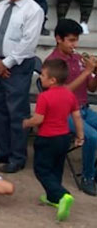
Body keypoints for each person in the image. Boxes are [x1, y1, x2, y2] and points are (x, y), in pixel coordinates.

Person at [0, 0, 43, 173]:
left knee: (17, 112)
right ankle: (2, 151)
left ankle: (18, 157)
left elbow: (28, 43)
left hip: (18, 66)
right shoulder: (0, 6)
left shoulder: (33, 10)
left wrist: (6, 64)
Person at [23, 59, 84, 221]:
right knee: (57, 168)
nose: (40, 78)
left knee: (42, 169)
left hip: (47, 138)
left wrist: (26, 122)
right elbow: (76, 116)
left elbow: (38, 119)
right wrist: (80, 135)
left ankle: (62, 195)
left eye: (43, 75)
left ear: (52, 80)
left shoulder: (44, 96)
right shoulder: (69, 95)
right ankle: (53, 198)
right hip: (64, 137)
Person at [45, 19, 97, 195]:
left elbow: (91, 88)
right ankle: (87, 178)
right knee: (92, 137)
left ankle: (94, 172)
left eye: (77, 40)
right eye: (71, 40)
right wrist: (87, 72)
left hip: (83, 108)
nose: (75, 44)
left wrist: (94, 74)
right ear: (58, 39)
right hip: (62, 113)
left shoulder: (78, 59)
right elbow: (62, 92)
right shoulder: (52, 62)